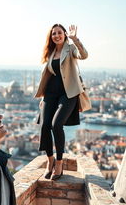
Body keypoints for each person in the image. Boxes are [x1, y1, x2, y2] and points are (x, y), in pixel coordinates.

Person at [35, 23, 88, 180]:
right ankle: (49, 161)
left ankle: (59, 163)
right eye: (53, 33)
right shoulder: (50, 53)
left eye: (59, 32)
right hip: (50, 94)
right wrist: (43, 98)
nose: (56, 35)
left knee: (56, 125)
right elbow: (49, 76)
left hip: (68, 93)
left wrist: (75, 39)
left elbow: (84, 55)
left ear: (64, 34)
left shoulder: (70, 48)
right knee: (44, 126)